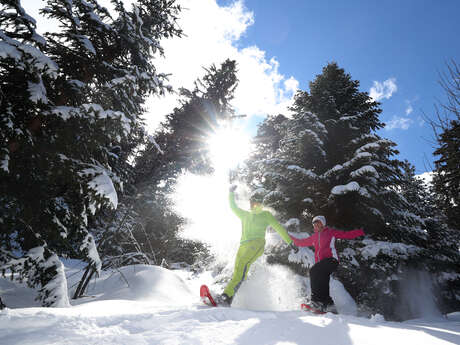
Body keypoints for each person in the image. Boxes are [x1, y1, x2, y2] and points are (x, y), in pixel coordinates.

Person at [215, 185, 299, 306]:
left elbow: (279, 228)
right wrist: (231, 193)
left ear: (260, 203)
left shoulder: (266, 215)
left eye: (255, 202)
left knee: (242, 267)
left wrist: (290, 242)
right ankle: (227, 298)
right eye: (251, 201)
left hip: (256, 244)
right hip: (243, 245)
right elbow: (233, 207)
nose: (252, 204)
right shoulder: (245, 215)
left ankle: (226, 297)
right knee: (238, 272)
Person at [290, 215, 364, 313]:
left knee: (313, 270)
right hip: (322, 265)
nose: (316, 225)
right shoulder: (314, 237)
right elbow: (301, 242)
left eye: (318, 223)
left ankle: (316, 302)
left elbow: (346, 234)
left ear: (323, 224)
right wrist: (288, 236)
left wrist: (361, 231)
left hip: (331, 260)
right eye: (314, 224)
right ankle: (329, 306)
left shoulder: (330, 233)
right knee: (322, 283)